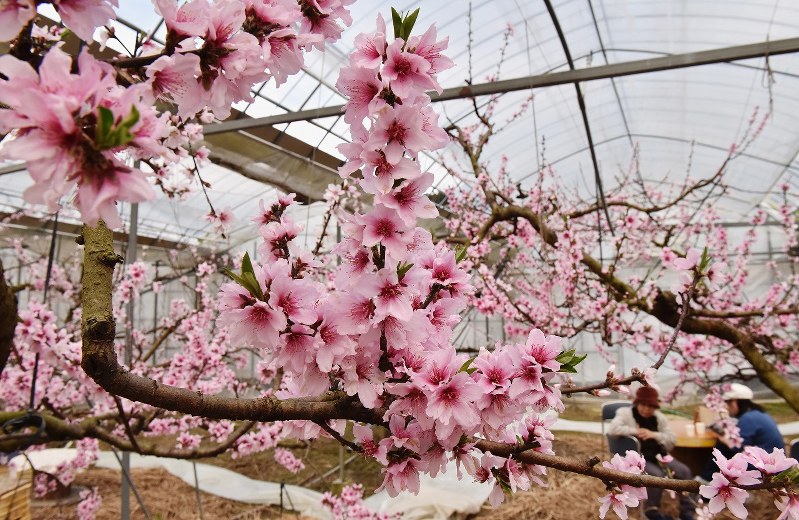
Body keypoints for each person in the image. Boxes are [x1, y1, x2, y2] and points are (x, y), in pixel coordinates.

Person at [608, 386, 696, 520]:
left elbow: (672, 439)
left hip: (659, 455)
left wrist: (654, 434)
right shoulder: (625, 413)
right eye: (643, 405)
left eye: (651, 406)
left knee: (684, 471)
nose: (646, 409)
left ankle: (687, 511)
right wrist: (636, 431)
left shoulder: (659, 418)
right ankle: (651, 510)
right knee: (656, 475)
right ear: (637, 403)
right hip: (637, 459)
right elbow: (613, 429)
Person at [699, 383, 784, 482]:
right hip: (771, 463)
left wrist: (722, 437)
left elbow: (737, 447)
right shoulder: (757, 414)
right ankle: (706, 479)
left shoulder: (748, 418)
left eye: (727, 402)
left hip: (765, 467)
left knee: (722, 447)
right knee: (723, 448)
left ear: (735, 402)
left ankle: (704, 479)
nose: (725, 407)